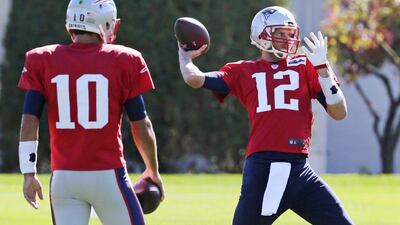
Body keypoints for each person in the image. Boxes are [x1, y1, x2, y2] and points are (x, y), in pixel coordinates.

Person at [178, 5, 353, 225]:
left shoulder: (306, 66)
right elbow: (195, 79)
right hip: (265, 167)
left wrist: (324, 71)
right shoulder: (242, 70)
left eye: (290, 34)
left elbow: (339, 112)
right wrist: (185, 58)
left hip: (300, 169)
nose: (287, 39)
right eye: (280, 33)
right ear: (261, 34)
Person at [17, 0, 164, 224]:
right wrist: (152, 170)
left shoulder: (43, 58)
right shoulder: (124, 59)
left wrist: (29, 172)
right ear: (105, 23)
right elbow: (141, 125)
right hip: (108, 174)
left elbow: (29, 121)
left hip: (64, 178)